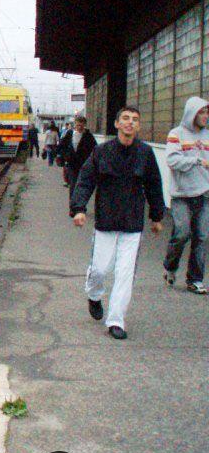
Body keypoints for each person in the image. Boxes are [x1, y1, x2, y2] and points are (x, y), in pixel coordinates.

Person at [70, 106, 165, 340]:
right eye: (125, 118)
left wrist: (156, 216)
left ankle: (116, 320)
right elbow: (85, 180)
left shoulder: (145, 153)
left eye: (135, 119)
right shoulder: (102, 152)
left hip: (132, 223)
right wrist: (79, 209)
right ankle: (94, 295)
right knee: (99, 270)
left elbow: (154, 184)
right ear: (117, 124)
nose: (130, 122)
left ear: (138, 126)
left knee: (125, 274)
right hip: (106, 221)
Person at [162, 96, 209, 294]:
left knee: (202, 237)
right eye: (202, 112)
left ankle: (195, 279)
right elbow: (172, 160)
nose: (206, 116)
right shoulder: (176, 134)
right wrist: (196, 160)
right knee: (182, 234)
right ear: (192, 113)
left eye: (207, 112)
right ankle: (170, 267)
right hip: (181, 195)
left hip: (204, 193)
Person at [58, 115, 97, 193]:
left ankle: (80, 199)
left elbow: (95, 149)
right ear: (75, 124)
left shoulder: (88, 136)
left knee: (82, 184)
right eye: (78, 125)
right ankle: (73, 199)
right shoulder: (69, 133)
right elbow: (62, 145)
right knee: (73, 183)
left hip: (84, 164)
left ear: (84, 125)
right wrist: (61, 156)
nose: (79, 127)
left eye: (81, 126)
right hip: (71, 163)